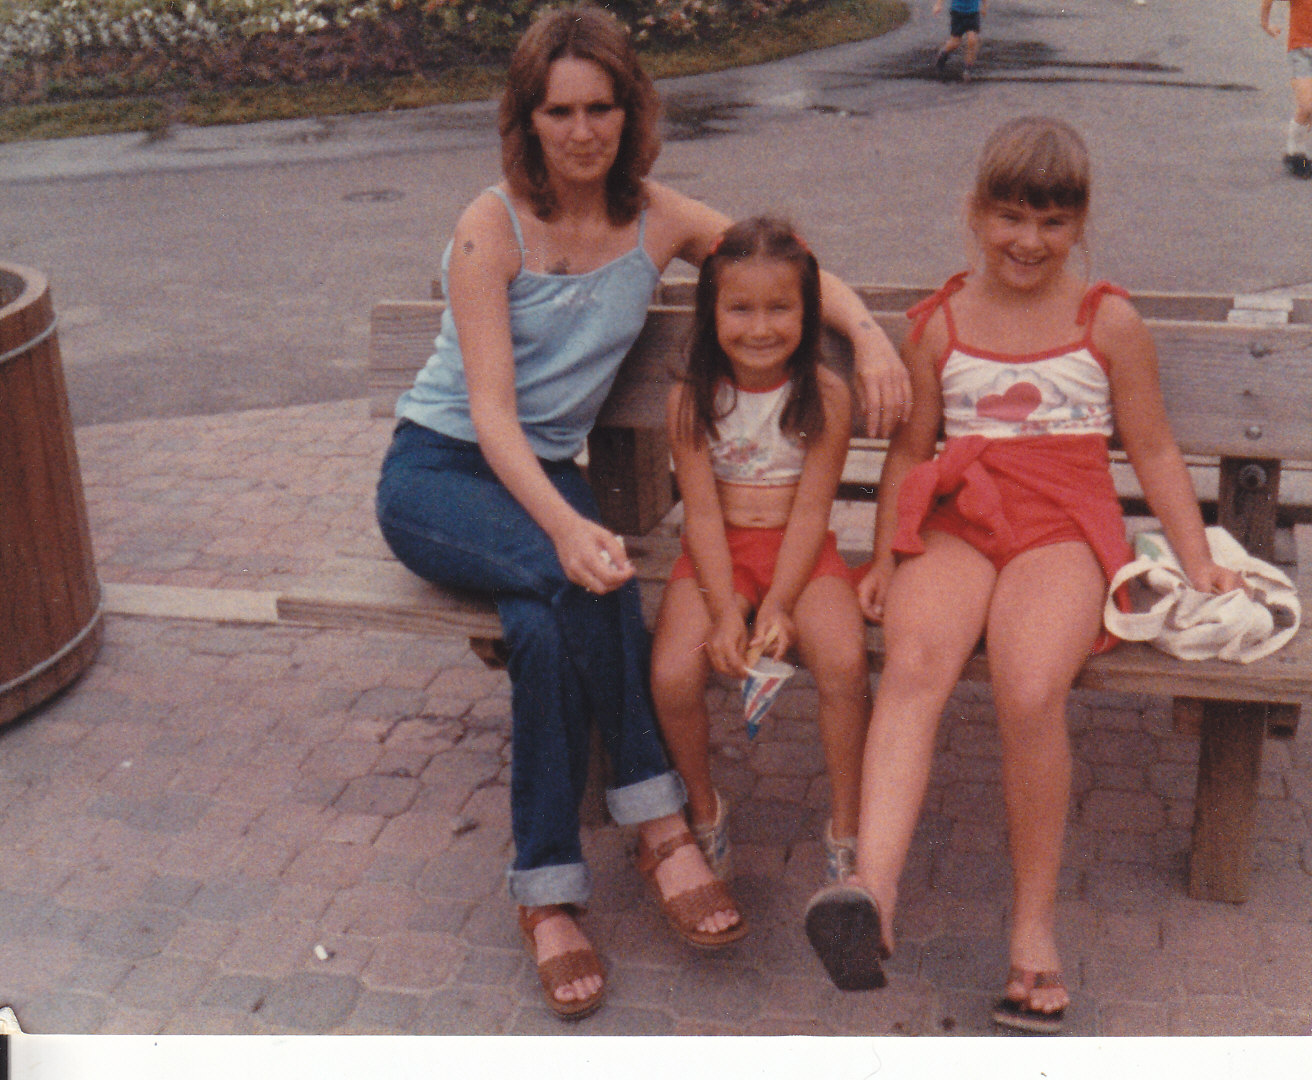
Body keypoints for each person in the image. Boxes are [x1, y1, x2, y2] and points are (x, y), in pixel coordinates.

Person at [374, 5, 910, 1021]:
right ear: (526, 119)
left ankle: (545, 895)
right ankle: (662, 829)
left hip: (546, 477)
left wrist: (870, 336)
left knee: (549, 626)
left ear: (631, 112)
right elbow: (491, 415)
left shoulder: (656, 218)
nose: (582, 132)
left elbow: (784, 264)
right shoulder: (489, 227)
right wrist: (564, 528)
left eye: (601, 109)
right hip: (443, 475)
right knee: (584, 577)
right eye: (559, 112)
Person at [802, 116, 1244, 1034]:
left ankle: (1033, 926)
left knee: (1031, 686)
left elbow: (1155, 450)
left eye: (1052, 221)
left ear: (1079, 222)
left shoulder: (1106, 321)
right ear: (975, 213)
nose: (1029, 241)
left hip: (1063, 526)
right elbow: (911, 452)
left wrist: (1197, 556)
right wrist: (888, 553)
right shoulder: (939, 323)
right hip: (960, 517)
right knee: (915, 663)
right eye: (1010, 217)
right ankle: (871, 893)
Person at [650, 217, 871, 897]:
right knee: (673, 674)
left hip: (800, 554)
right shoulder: (691, 398)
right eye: (740, 309)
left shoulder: (827, 395)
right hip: (717, 553)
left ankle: (847, 832)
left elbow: (811, 513)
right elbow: (701, 516)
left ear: (807, 312)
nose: (760, 327)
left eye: (780, 308)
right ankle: (704, 812)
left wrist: (776, 603)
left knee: (844, 662)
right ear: (711, 312)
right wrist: (726, 612)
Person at [1261, 0, 1312, 178]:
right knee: (1308, 104)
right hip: (1301, 50)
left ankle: (1296, 154)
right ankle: (1295, 154)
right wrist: (1265, 23)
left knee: (1305, 111)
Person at [932, 0, 987, 82]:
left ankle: (968, 69)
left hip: (973, 13)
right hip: (957, 12)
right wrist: (938, 4)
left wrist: (984, 6)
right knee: (955, 42)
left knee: (972, 40)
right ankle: (942, 55)